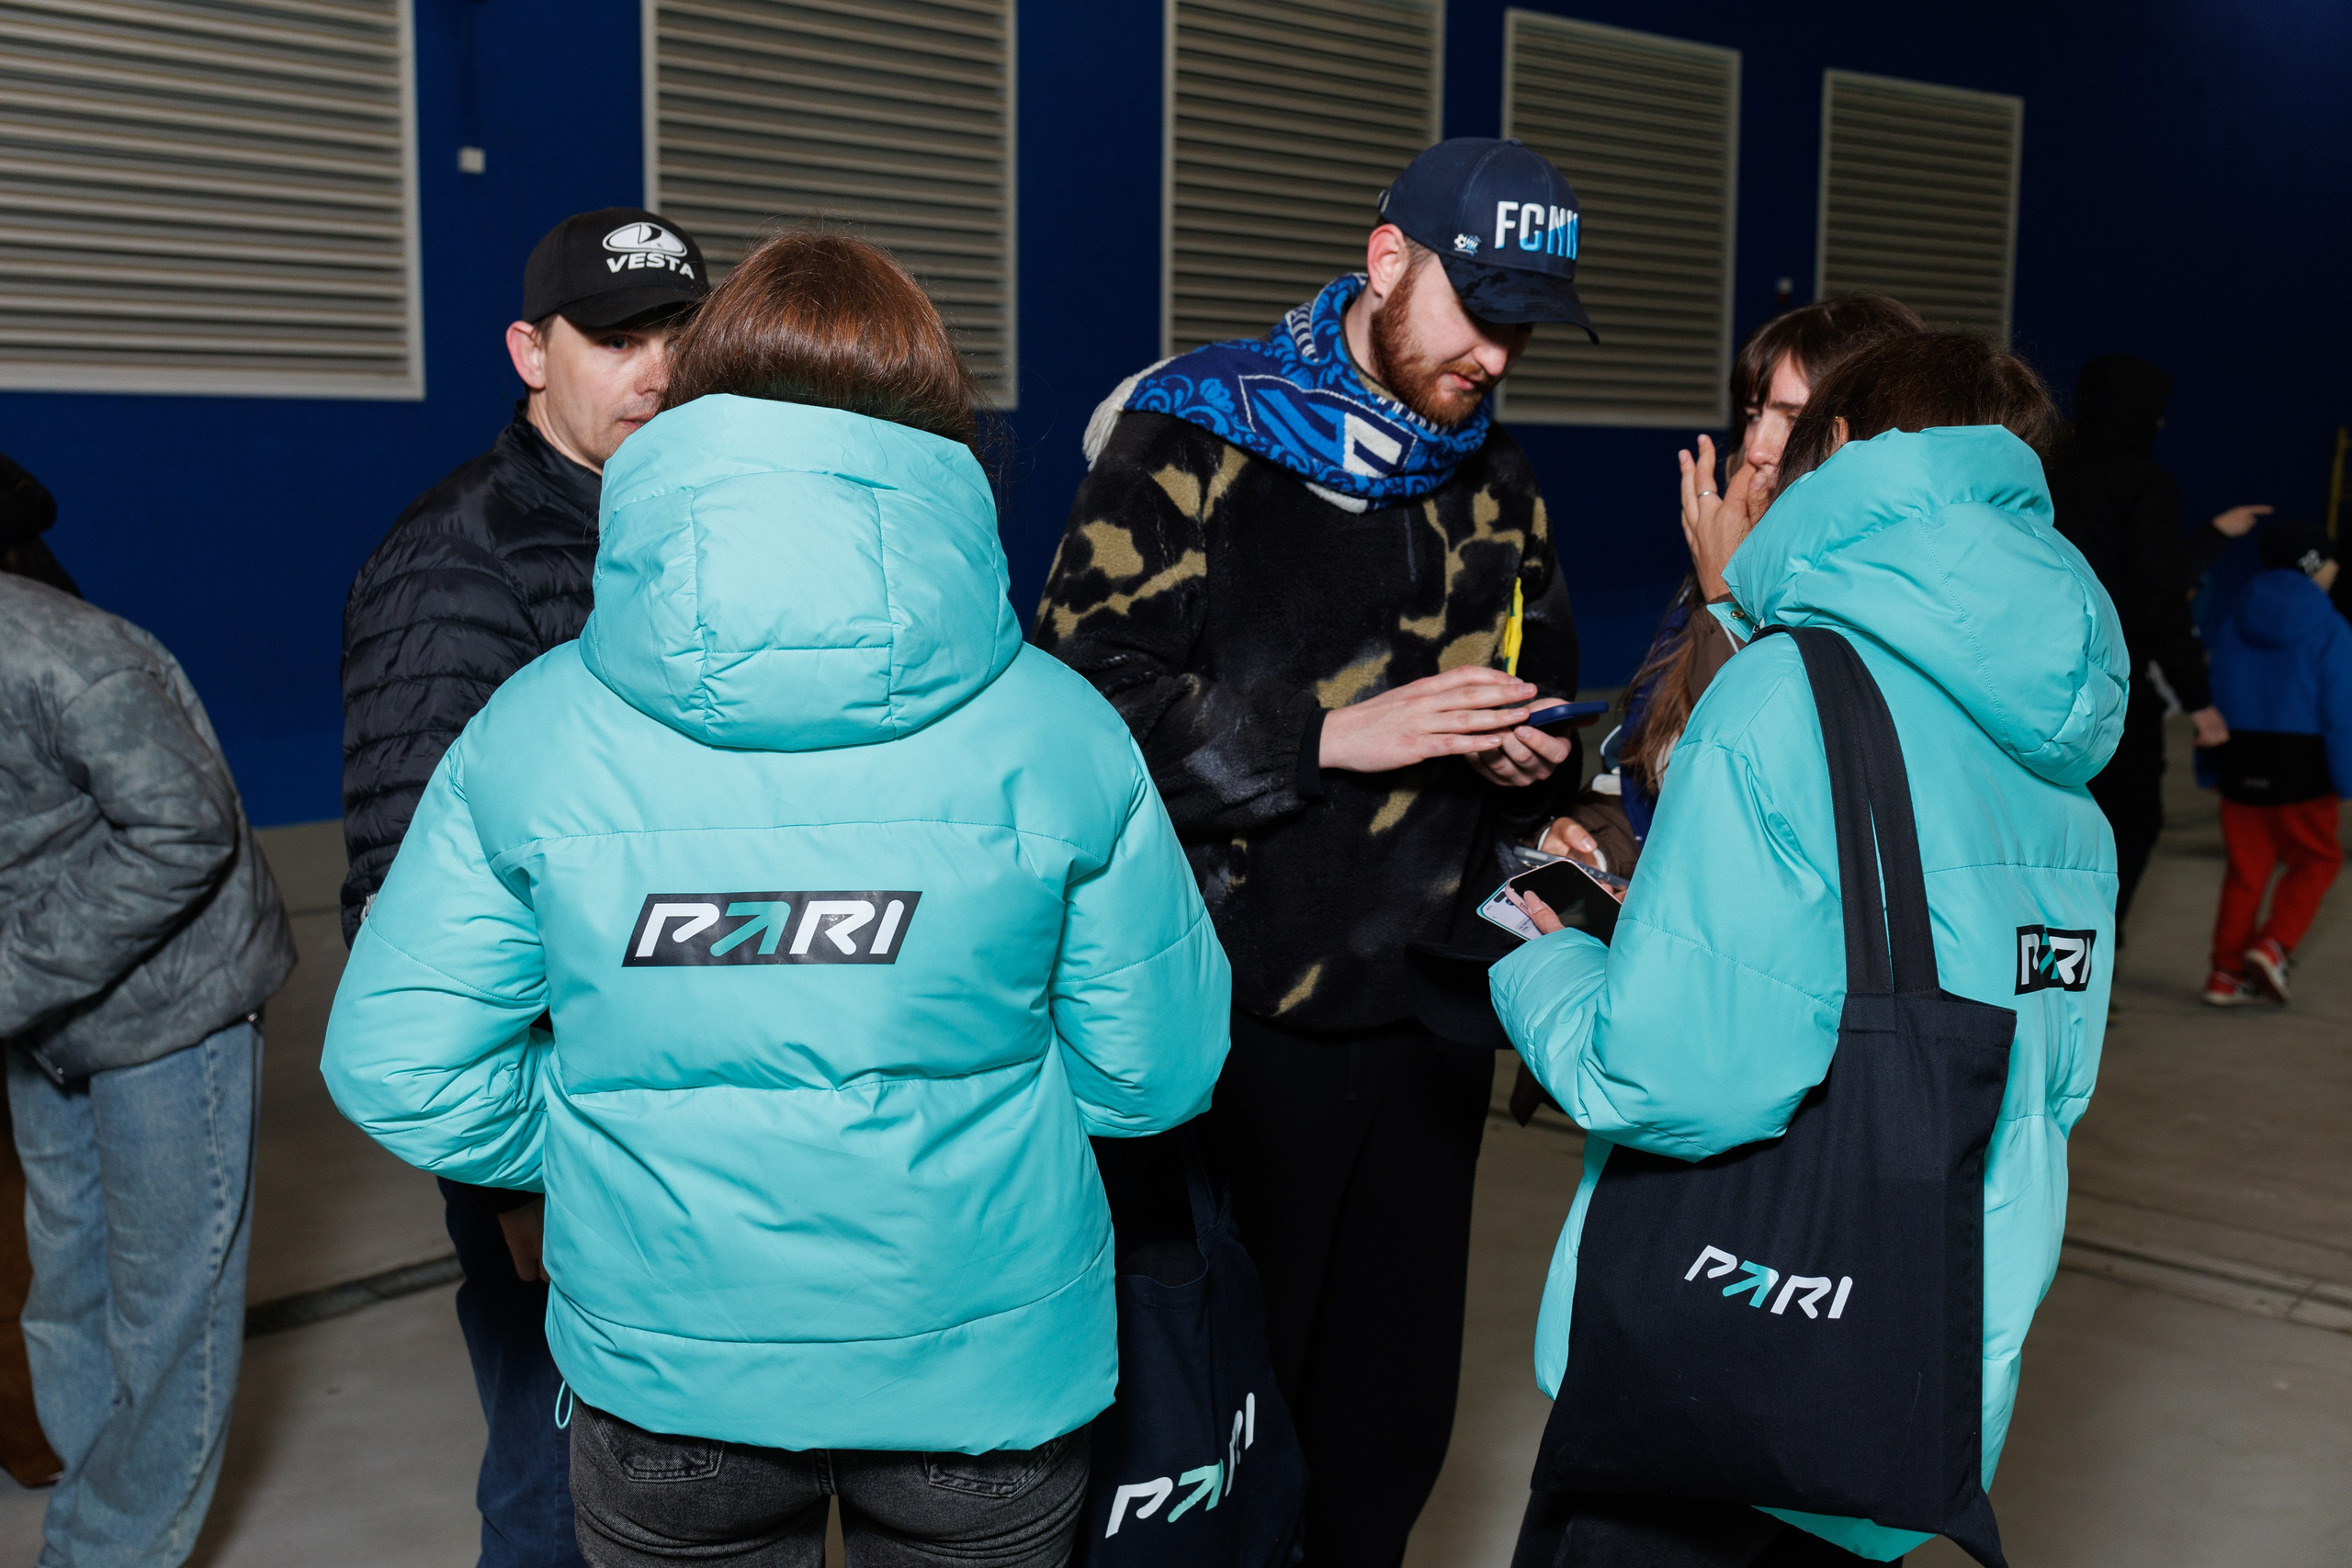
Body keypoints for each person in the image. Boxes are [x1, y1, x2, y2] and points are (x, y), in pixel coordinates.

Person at [322, 231, 1229, 1568]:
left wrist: (600, 1141)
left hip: (669, 1375)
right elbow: (1158, 1070)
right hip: (982, 1372)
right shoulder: (1061, 727)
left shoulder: (536, 728)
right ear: (941, 431)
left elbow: (398, 1062)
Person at [1035, 136, 1593, 1565]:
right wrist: (1332, 735)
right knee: (1215, 1414)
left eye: (1524, 328)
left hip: (1428, 1016)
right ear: (1387, 259)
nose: (1496, 357)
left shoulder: (1496, 478)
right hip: (1231, 1020)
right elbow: (1079, 712)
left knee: (1385, 1425)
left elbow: (1542, 684)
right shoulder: (1194, 436)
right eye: (1479, 310)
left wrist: (1531, 759)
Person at [1491, 333, 2125, 1565]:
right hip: (1903, 1395)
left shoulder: (1788, 689)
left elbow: (1671, 1077)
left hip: (1717, 1390)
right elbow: (2042, 1079)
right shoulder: (2063, 740)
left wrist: (1543, 959)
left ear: (1835, 450)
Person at [338, 205, 708, 1568]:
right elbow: (407, 905)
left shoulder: (688, 527)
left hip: (682, 1090)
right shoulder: (459, 558)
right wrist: (514, 1179)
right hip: (555, 1127)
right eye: (616, 339)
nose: (657, 371)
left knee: (690, 1476)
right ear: (529, 353)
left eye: (679, 336)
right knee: (563, 1482)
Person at [1, 570, 295, 1566]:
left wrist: (9, 974)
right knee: (66, 1297)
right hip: (46, 1011)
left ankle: (103, 1552)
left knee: (169, 1313)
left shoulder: (68, 661)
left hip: (176, 1003)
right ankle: (103, 1517)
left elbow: (185, 829)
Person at [1562, 294, 1925, 874]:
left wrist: (1726, 602)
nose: (1756, 448)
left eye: (1793, 419)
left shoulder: (1893, 604)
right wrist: (1591, 838)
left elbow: (1765, 817)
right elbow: (1653, 776)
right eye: (1754, 415)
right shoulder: (1729, 562)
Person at [2043, 354, 2271, 930]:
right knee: (2129, 822)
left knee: (2043, 829)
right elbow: (2156, 595)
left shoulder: (2045, 470)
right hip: (2109, 690)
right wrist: (2199, 699)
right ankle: (2088, 954)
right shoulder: (2143, 483)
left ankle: (2040, 956)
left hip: (2031, 680)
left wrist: (2212, 536)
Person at [2199, 524, 2351, 1006]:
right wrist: (2346, 779)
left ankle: (2224, 975)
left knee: (2246, 871)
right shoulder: (2331, 627)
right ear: (2314, 566)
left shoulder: (2234, 620)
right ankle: (2273, 945)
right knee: (2318, 860)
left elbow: (2213, 692)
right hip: (2304, 767)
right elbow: (2340, 714)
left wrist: (2210, 765)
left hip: (2240, 760)